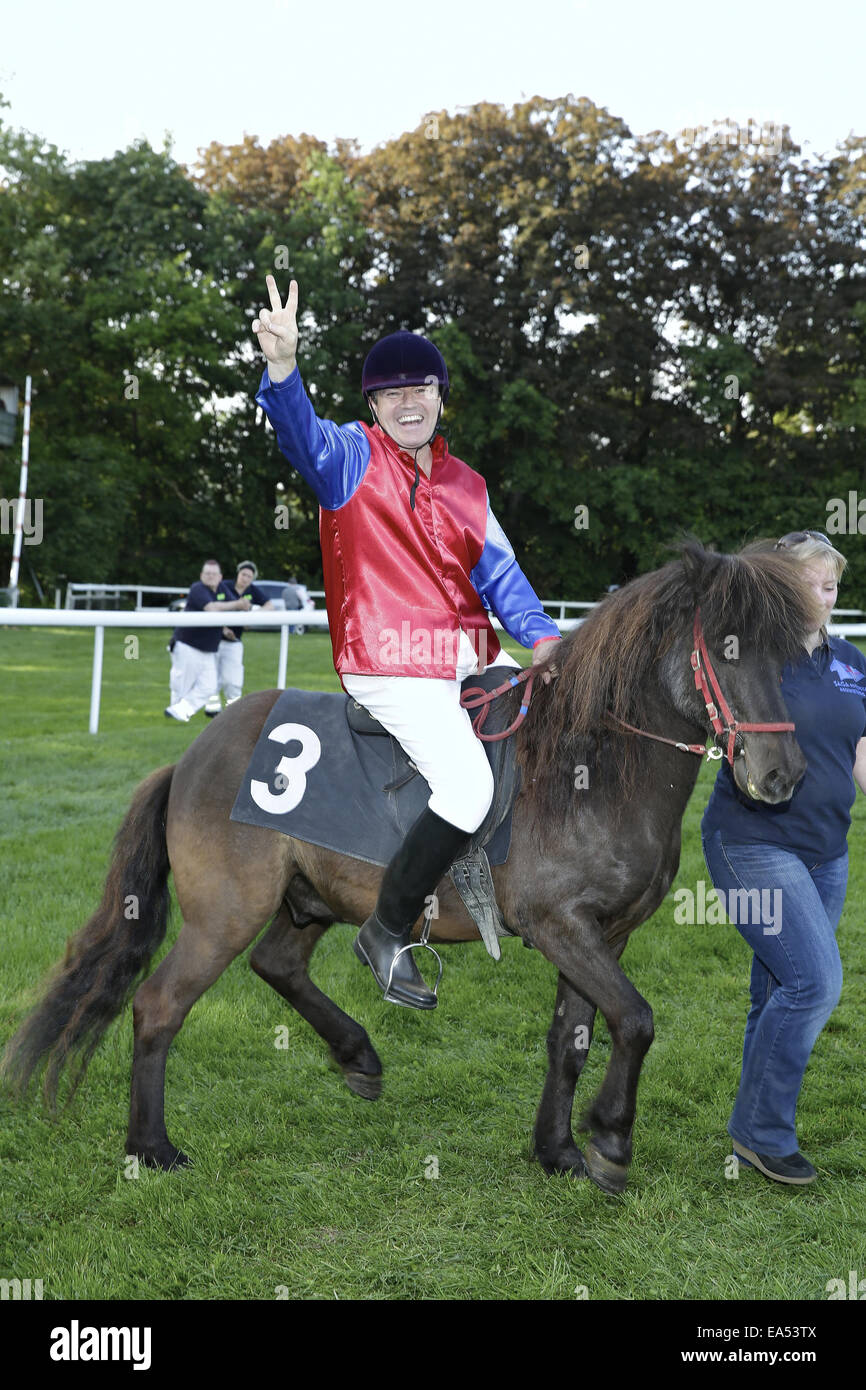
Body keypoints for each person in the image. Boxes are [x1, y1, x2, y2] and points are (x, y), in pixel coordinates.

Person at [252, 275, 562, 1010]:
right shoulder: (347, 459)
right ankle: (387, 930)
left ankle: (535, 886)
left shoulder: (470, 486)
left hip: (470, 656)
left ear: (441, 396)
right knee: (467, 785)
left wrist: (545, 639)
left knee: (555, 730)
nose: (408, 402)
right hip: (391, 663)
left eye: (420, 387)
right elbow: (297, 432)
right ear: (373, 407)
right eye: (391, 394)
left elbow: (505, 580)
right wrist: (283, 370)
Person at [701, 530, 866, 1184]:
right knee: (815, 983)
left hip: (827, 853)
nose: (821, 596)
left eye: (830, 584)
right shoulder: (750, 658)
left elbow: (857, 752)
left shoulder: (852, 661)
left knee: (777, 987)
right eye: (807, 582)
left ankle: (753, 1124)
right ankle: (762, 1134)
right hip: (751, 844)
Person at [165, 560, 252, 722]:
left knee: (209, 686)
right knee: (182, 684)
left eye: (214, 574)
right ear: (201, 576)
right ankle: (177, 714)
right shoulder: (198, 588)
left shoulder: (222, 589)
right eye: (207, 573)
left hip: (208, 649)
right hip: (187, 645)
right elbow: (212, 608)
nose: (210, 577)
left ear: (220, 576)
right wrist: (238, 604)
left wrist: (226, 626)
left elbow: (234, 607)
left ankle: (179, 711)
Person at [204, 561, 274, 717]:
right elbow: (211, 607)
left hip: (234, 641)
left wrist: (252, 618)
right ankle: (212, 710)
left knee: (233, 678)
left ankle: (233, 711)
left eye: (249, 576)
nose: (245, 578)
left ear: (252, 579)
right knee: (211, 674)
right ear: (238, 574)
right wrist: (222, 627)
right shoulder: (223, 586)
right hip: (214, 638)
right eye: (243, 574)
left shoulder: (253, 591)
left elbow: (270, 605)